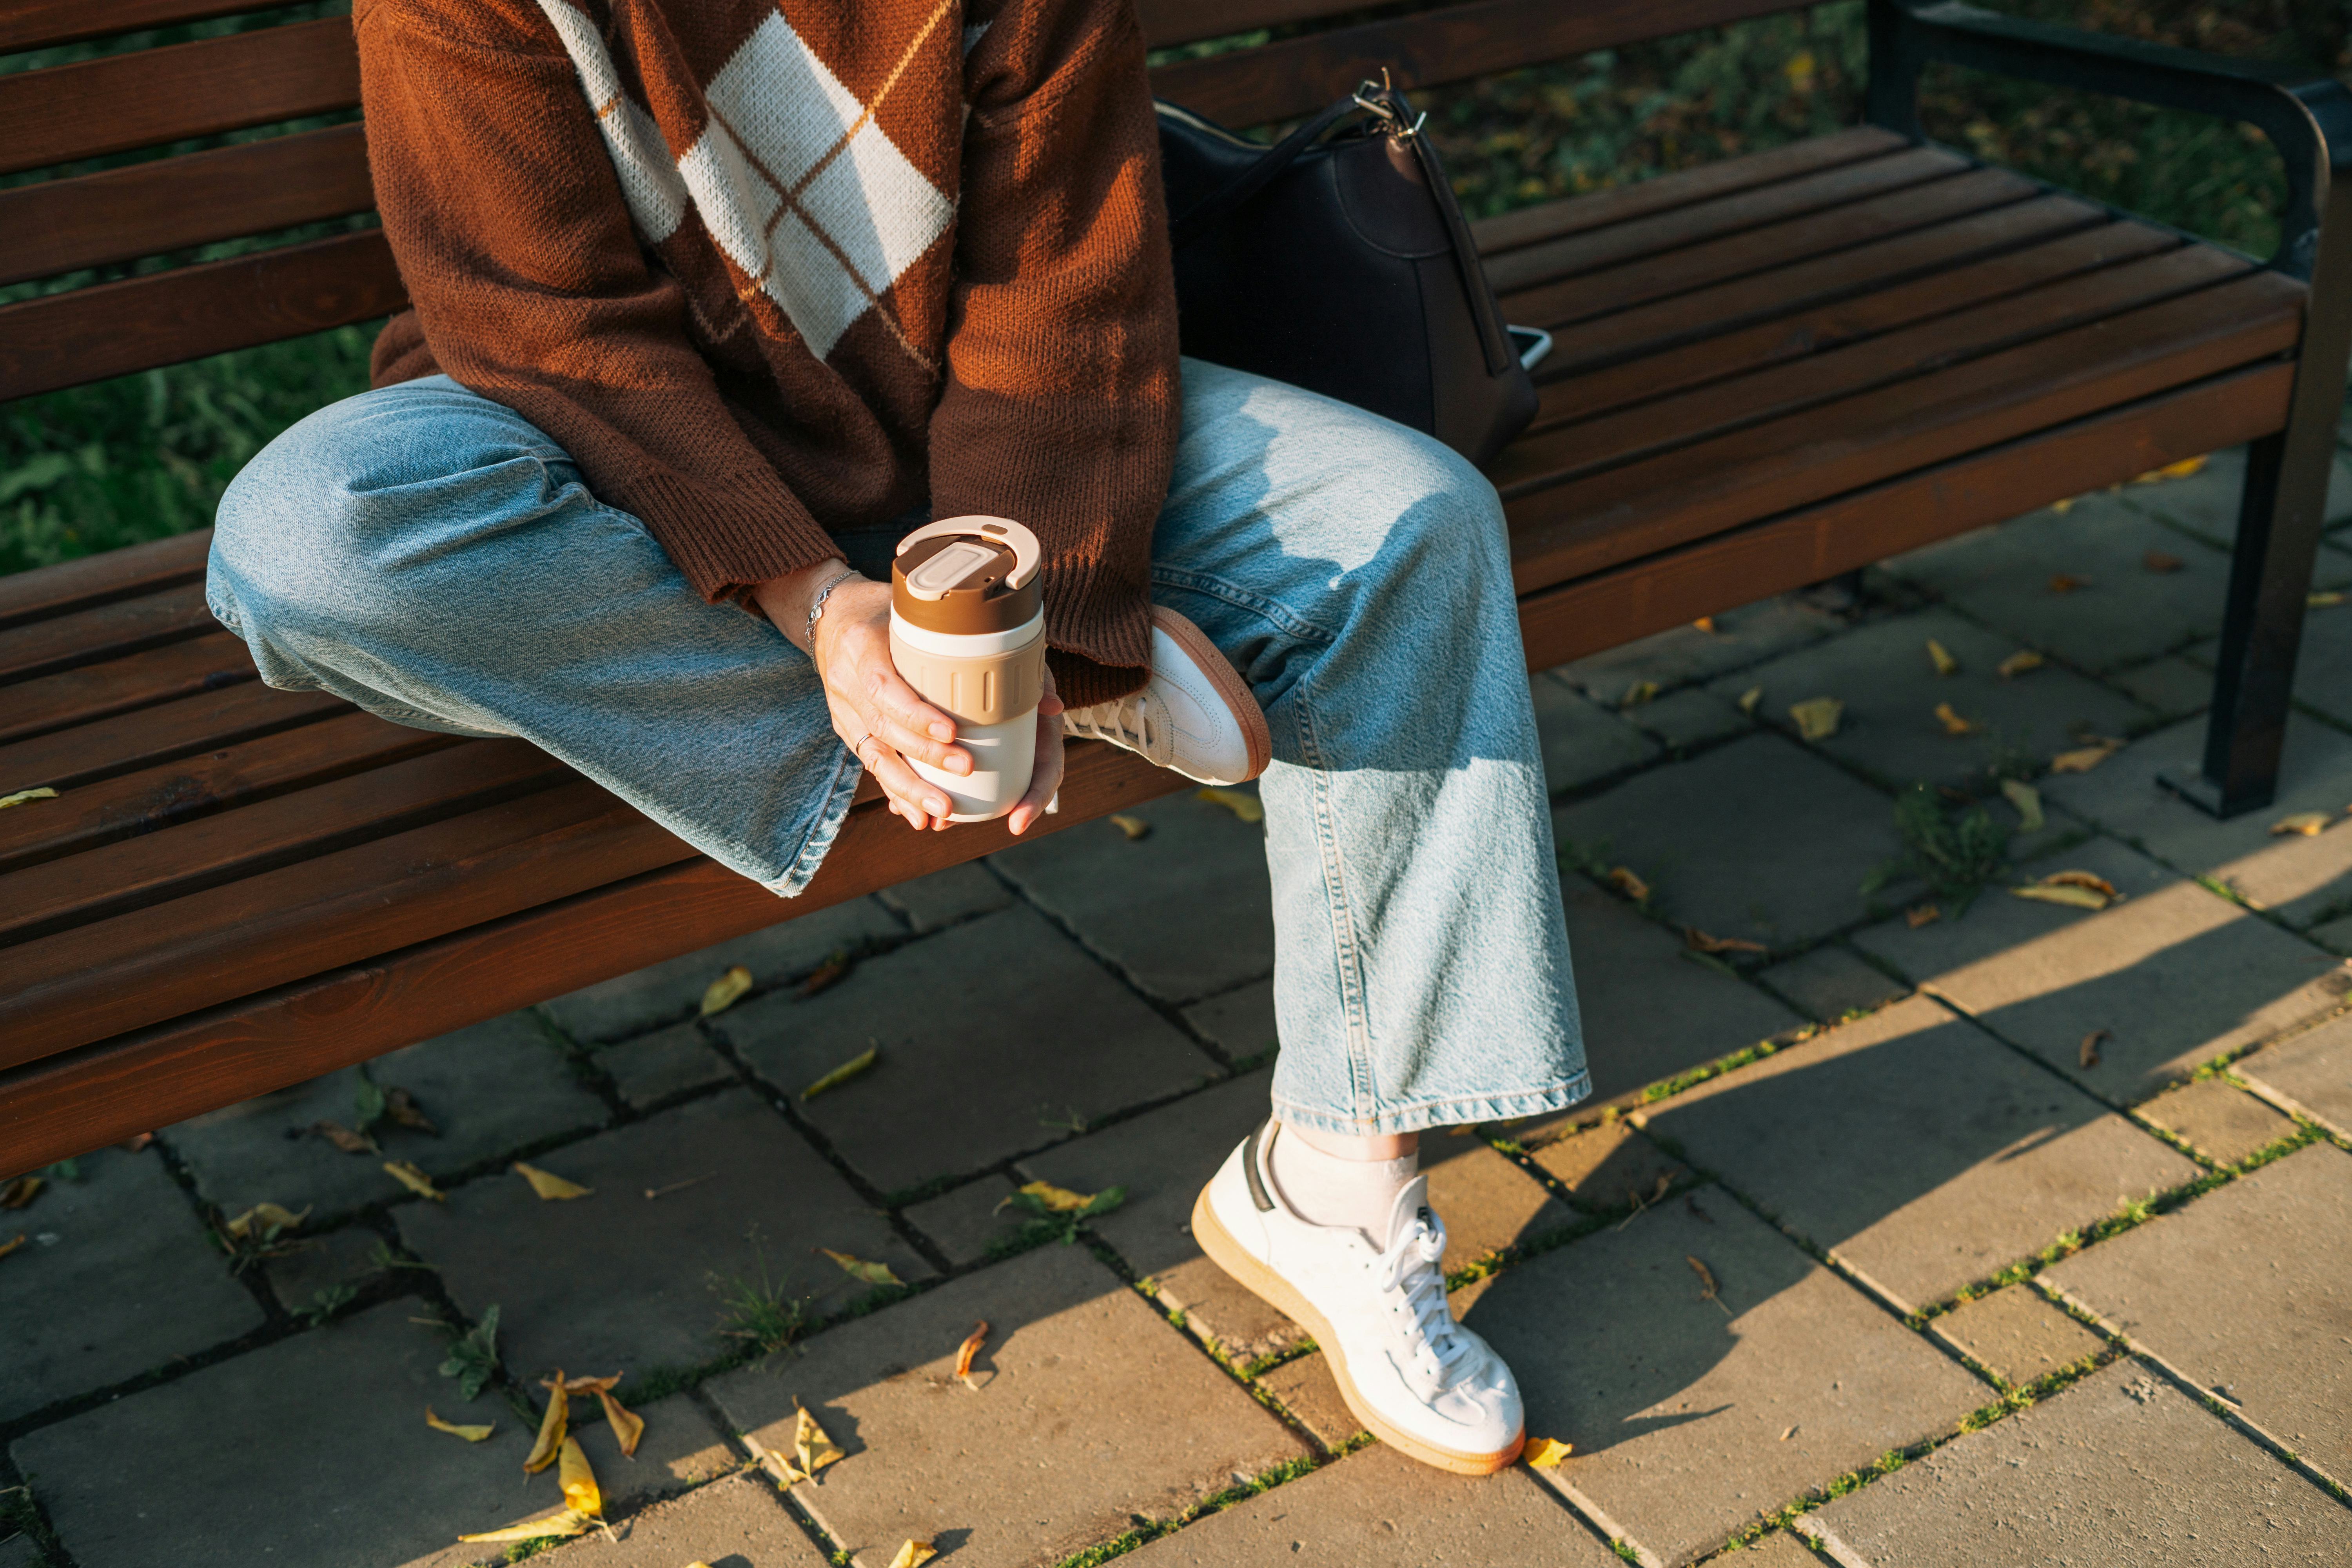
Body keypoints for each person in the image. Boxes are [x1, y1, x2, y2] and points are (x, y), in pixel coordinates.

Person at [206, 0, 1586, 1474]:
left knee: (1418, 525)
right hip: (615, 459)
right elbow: (546, 333)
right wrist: (819, 610)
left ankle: (1334, 1187)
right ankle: (951, 696)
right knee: (311, 540)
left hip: (987, 445)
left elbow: (1062, 304)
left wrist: (1029, 608)